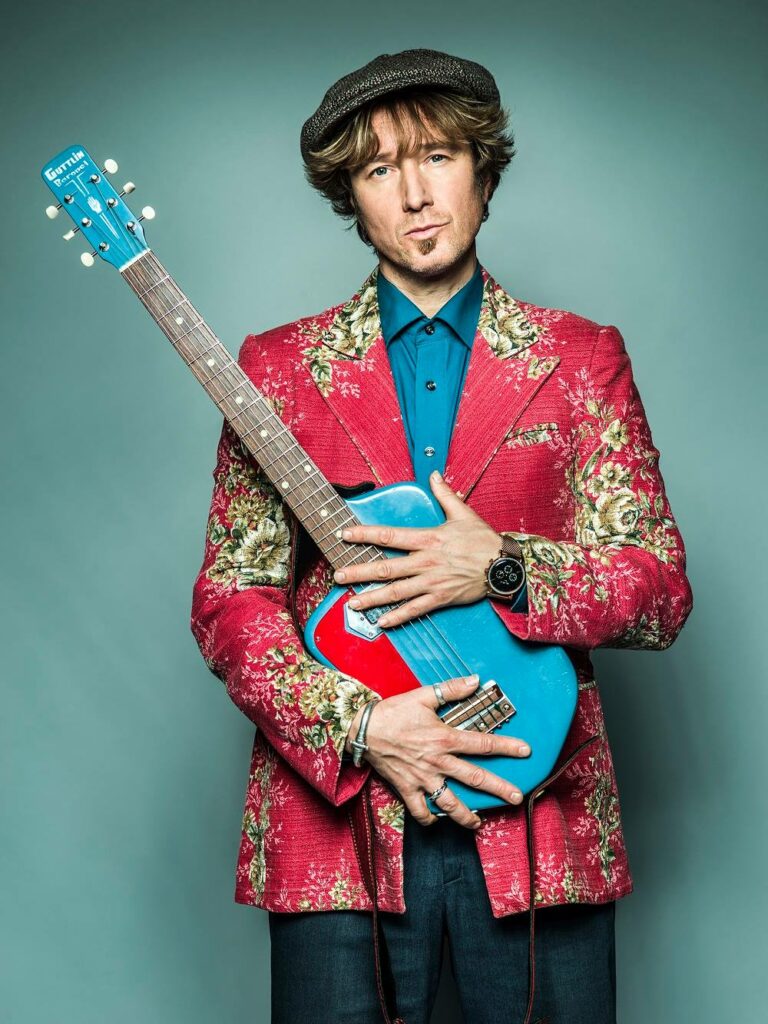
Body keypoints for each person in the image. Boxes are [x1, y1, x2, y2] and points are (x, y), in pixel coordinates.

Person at [190, 49, 693, 1024]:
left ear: (483, 171)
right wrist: (361, 724)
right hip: (338, 833)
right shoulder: (277, 368)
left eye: (437, 157)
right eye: (381, 169)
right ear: (351, 196)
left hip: (539, 807)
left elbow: (658, 588)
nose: (415, 194)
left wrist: (501, 568)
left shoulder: (579, 358)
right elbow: (231, 599)